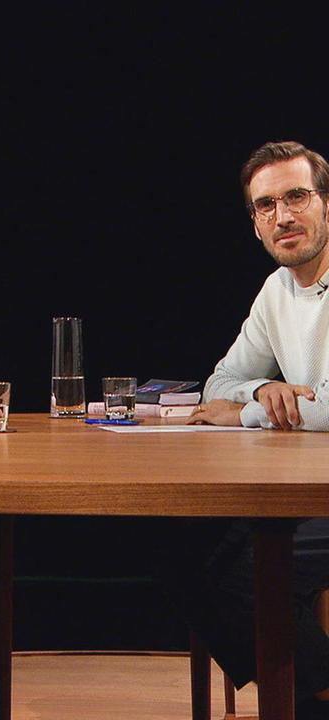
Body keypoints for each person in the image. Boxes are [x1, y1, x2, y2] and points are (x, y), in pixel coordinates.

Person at [183, 140, 329, 719]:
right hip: (310, 489)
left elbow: (327, 410)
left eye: (297, 197)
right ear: (254, 222)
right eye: (266, 205)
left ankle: (307, 699)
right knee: (181, 548)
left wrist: (244, 411)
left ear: (326, 203)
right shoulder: (278, 289)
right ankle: (314, 695)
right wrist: (261, 390)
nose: (283, 216)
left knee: (248, 566)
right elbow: (216, 386)